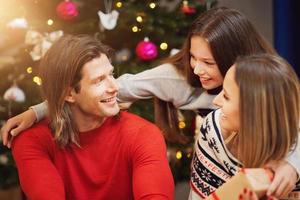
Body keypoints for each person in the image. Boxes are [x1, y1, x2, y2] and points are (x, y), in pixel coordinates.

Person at [1, 7, 299, 198]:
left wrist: (292, 167)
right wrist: (39, 110)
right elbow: (111, 88)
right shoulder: (184, 85)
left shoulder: (275, 91)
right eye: (192, 57)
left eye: (207, 62)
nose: (196, 69)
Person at [10, 35, 174, 199]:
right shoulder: (31, 140)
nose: (115, 86)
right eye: (99, 80)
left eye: (111, 74)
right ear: (69, 94)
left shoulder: (143, 135)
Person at [190, 54, 300, 200]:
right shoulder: (212, 130)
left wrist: (293, 165)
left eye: (227, 97)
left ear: (255, 112)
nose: (216, 101)